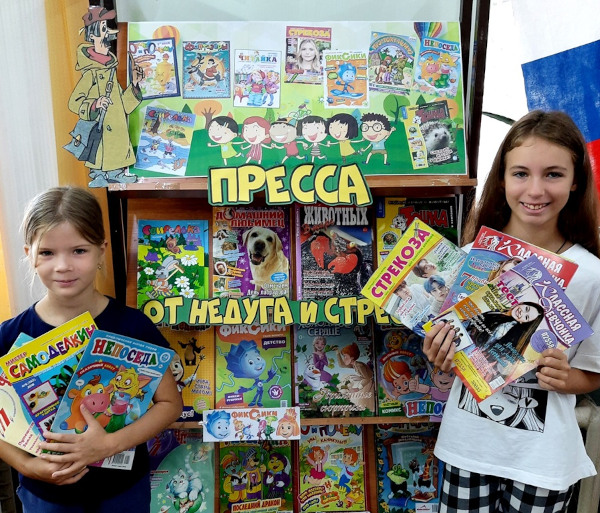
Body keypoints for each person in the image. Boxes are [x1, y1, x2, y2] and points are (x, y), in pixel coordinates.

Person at [423, 110, 600, 512]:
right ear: (501, 179)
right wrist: (438, 352)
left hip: (544, 462)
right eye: (521, 173)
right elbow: (446, 354)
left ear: (575, 181)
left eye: (553, 174)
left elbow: (593, 373)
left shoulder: (591, 275)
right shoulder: (469, 259)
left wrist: (568, 378)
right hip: (467, 447)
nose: (535, 190)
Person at [0, 186, 182, 513]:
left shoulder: (132, 325)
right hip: (46, 496)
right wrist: (26, 466)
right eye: (47, 253)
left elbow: (170, 405)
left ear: (102, 250)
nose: (63, 266)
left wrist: (108, 444)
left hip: (122, 493)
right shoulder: (10, 335)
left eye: (79, 251)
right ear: (29, 254)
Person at [69, 7, 143, 187]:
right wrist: (95, 104)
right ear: (92, 35)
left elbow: (124, 106)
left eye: (106, 27)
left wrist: (135, 84)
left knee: (115, 150)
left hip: (117, 130)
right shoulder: (91, 72)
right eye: (103, 28)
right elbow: (74, 102)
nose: (108, 32)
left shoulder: (110, 69)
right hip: (101, 130)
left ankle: (115, 173)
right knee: (101, 153)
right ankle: (100, 174)